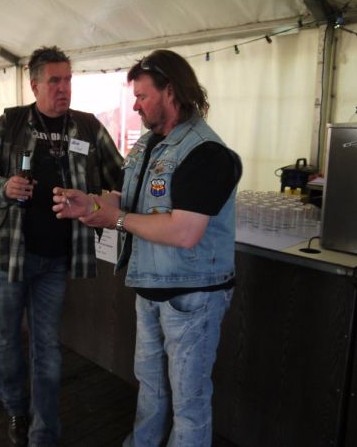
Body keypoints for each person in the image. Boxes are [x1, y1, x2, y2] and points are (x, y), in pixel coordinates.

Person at [53, 50, 242, 447]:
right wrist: (91, 204)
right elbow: (131, 200)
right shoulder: (150, 144)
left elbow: (184, 232)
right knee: (151, 386)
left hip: (192, 297)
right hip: (151, 287)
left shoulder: (206, 153)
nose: (135, 105)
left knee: (189, 400)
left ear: (170, 91)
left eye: (142, 96)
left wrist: (116, 219)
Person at [0, 46, 123, 446]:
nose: (63, 88)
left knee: (48, 347)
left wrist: (101, 201)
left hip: (57, 259)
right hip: (8, 256)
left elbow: (121, 177)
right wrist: (4, 186)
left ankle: (43, 432)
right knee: (5, 339)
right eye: (55, 81)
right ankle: (16, 409)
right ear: (34, 84)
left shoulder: (87, 127)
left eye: (68, 80)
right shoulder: (10, 124)